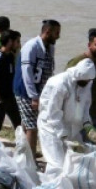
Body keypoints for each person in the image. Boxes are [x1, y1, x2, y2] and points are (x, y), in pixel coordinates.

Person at [37, 59, 96, 177]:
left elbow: (85, 106)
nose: (86, 83)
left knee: (74, 161)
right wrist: (64, 136)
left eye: (88, 81)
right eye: (84, 81)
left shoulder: (87, 83)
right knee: (57, 164)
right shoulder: (60, 83)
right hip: (51, 127)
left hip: (72, 127)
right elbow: (53, 113)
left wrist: (88, 126)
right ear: (78, 76)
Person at [14, 19, 61, 154]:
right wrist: (33, 96)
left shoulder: (50, 47)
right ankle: (31, 161)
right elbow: (26, 73)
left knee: (28, 123)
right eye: (56, 33)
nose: (58, 36)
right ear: (47, 32)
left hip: (40, 91)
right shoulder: (32, 46)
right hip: (25, 91)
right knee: (32, 127)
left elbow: (49, 69)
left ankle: (23, 152)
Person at [66, 28, 96, 137]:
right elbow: (66, 88)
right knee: (82, 150)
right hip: (81, 116)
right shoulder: (77, 62)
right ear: (89, 45)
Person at [0, 30, 22, 139]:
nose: (19, 44)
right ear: (10, 42)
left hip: (10, 96)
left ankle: (23, 147)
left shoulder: (11, 56)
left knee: (19, 123)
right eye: (17, 41)